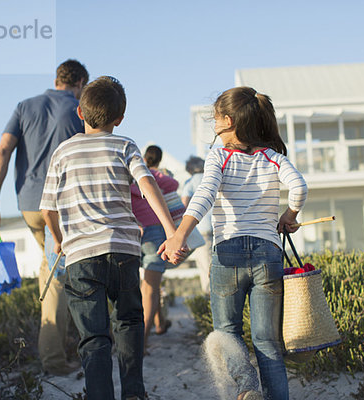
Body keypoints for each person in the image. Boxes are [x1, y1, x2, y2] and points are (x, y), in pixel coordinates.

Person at [40, 76, 185, 400]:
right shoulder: (125, 146)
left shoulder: (63, 151)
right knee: (130, 323)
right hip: (123, 251)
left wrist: (60, 239)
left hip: (81, 257)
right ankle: (133, 392)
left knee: (93, 338)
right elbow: (148, 187)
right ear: (119, 118)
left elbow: (47, 209)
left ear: (80, 112)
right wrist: (172, 230)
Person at [160, 86, 308, 400]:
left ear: (228, 121)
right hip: (268, 253)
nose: (213, 126)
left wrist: (179, 235)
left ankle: (247, 388)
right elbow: (299, 186)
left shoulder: (220, 156)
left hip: (228, 253)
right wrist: (290, 215)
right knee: (267, 342)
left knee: (227, 332)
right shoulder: (273, 157)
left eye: (215, 119)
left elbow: (204, 196)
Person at [0, 59, 88, 376]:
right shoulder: (79, 109)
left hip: (29, 204)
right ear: (81, 82)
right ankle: (55, 361)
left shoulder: (24, 106)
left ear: (57, 80)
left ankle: (60, 350)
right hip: (63, 205)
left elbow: (2, 150)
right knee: (59, 276)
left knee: (52, 268)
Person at [130, 145, 181, 349]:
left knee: (141, 287)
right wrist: (159, 173)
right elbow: (174, 184)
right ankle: (143, 342)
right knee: (151, 287)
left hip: (131, 230)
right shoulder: (152, 175)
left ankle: (157, 324)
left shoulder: (129, 175)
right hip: (154, 229)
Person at [181, 156, 212, 294]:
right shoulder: (211, 178)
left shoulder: (191, 181)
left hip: (201, 229)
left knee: (205, 266)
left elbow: (184, 204)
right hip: (220, 227)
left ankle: (209, 299)